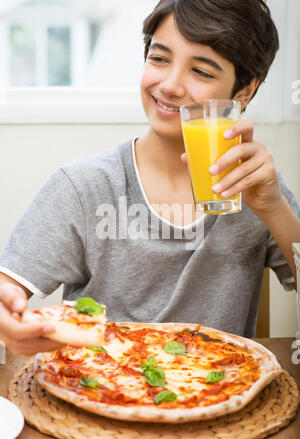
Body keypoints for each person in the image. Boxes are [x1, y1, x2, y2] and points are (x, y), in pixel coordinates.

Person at [0, 0, 300, 356]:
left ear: (244, 91)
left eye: (201, 71)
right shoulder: (84, 186)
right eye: (159, 58)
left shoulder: (257, 189)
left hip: (214, 394)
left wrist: (273, 208)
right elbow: (6, 293)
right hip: (104, 391)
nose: (170, 85)